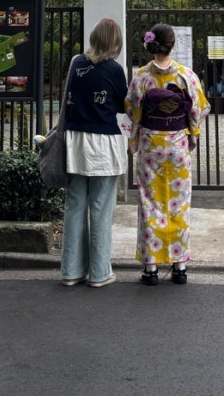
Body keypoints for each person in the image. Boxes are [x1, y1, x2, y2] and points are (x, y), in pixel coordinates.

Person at [125, 22, 209, 286]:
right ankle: (179, 265)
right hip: (177, 146)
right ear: (173, 45)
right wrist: (191, 135)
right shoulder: (187, 76)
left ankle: (150, 268)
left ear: (151, 44)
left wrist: (138, 137)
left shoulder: (141, 76)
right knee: (178, 203)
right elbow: (198, 110)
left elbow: (132, 110)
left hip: (151, 146)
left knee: (150, 203)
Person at [60, 17, 128, 288]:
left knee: (75, 205)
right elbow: (123, 105)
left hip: (74, 141)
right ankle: (99, 273)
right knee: (101, 207)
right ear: (115, 43)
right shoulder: (113, 69)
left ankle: (70, 272)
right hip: (103, 143)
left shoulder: (77, 62)